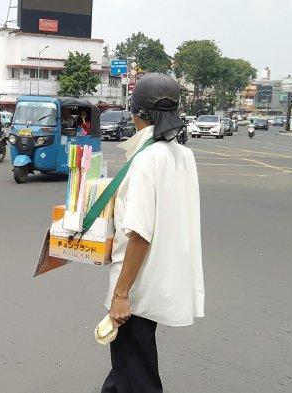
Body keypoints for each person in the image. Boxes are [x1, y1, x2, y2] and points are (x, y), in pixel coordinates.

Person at [101, 73, 204, 393]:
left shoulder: (146, 160)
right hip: (159, 280)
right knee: (125, 369)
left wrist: (120, 295)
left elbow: (140, 234)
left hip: (137, 288)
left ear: (135, 113)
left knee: (137, 374)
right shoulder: (182, 155)